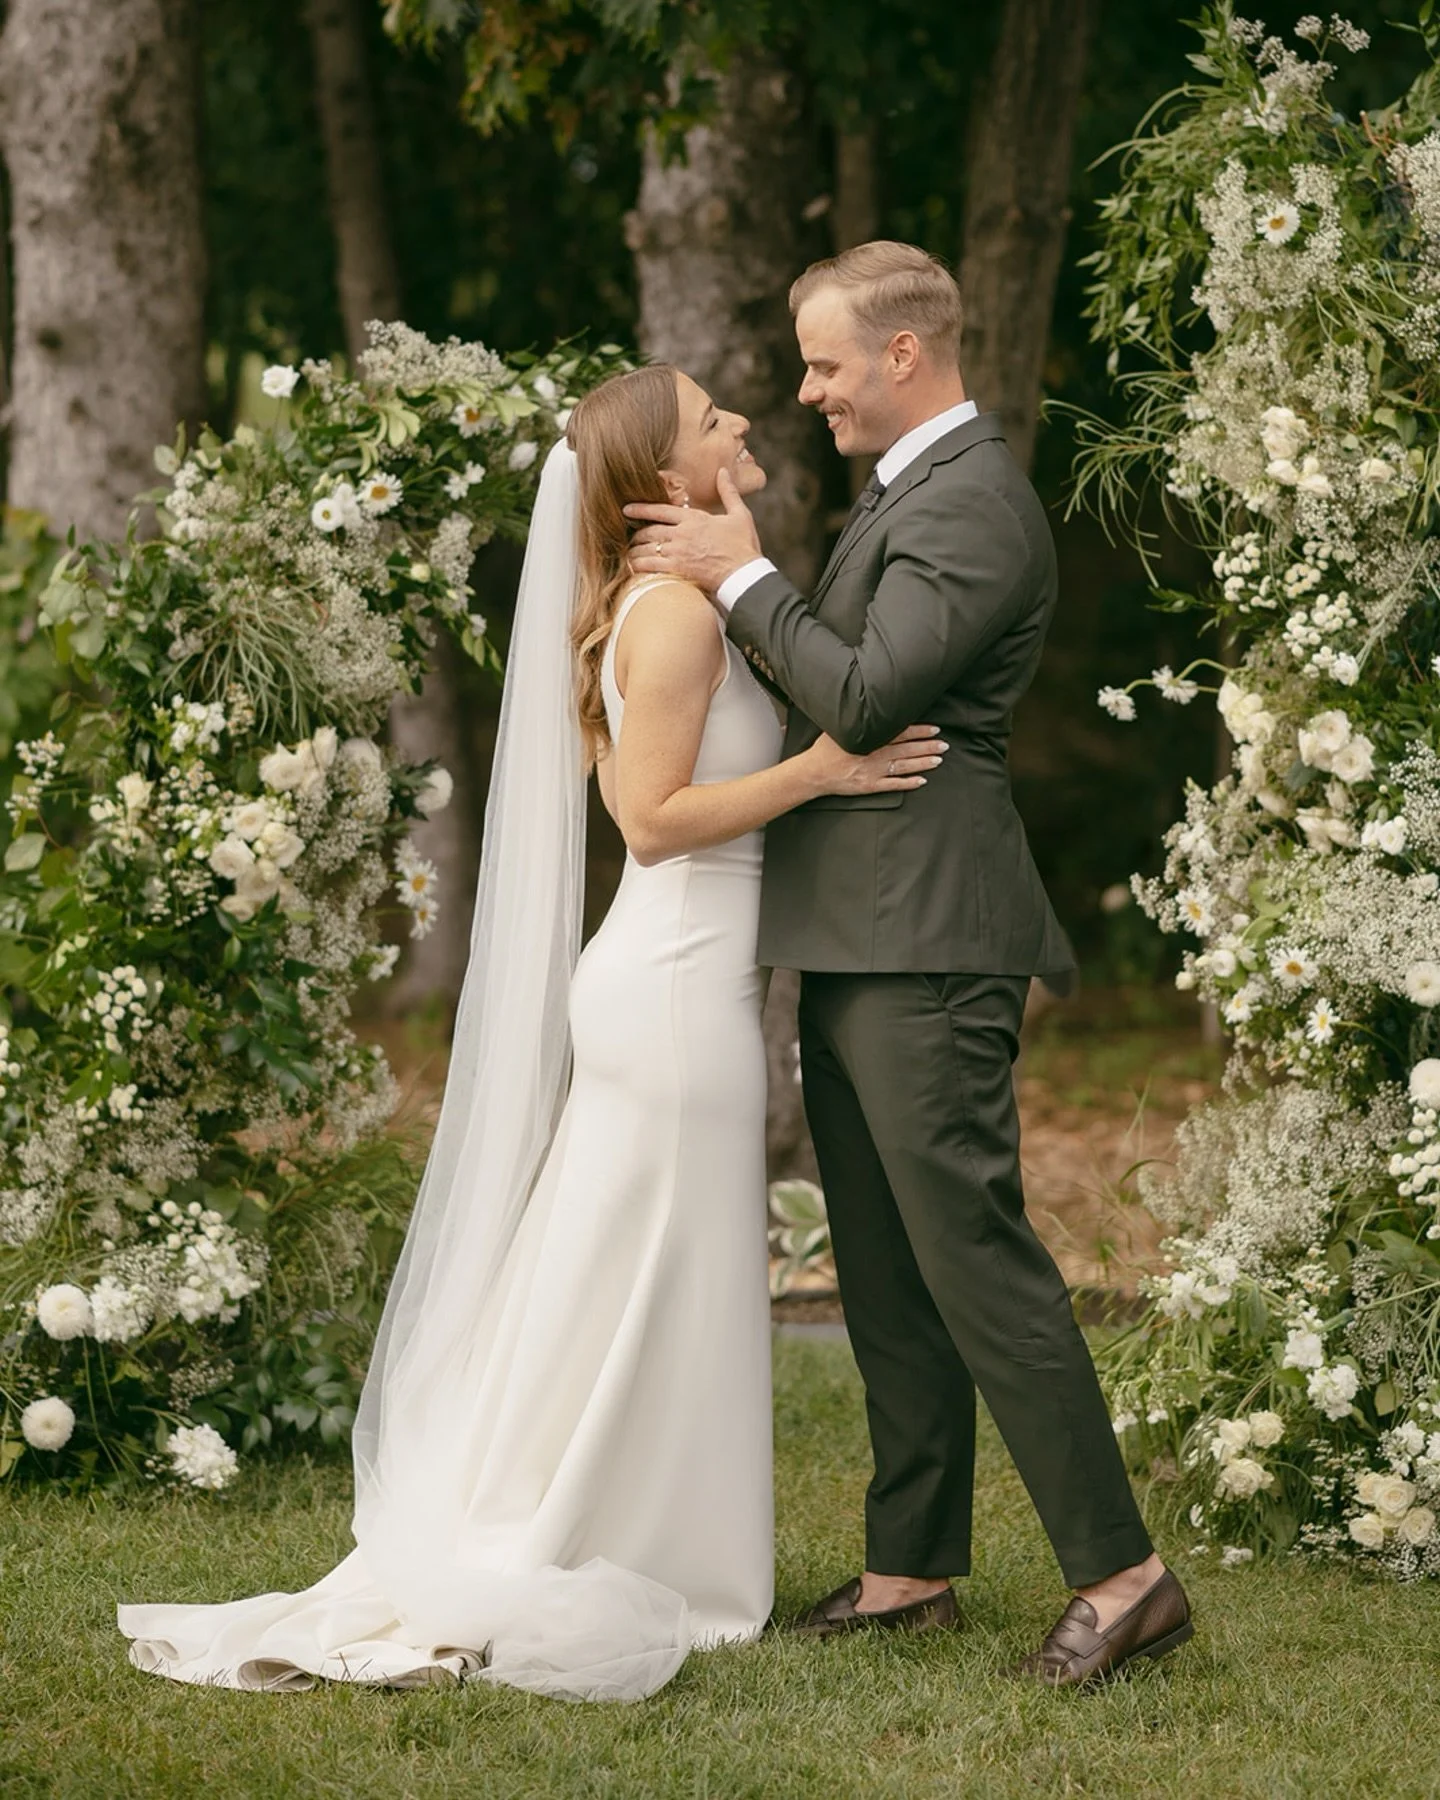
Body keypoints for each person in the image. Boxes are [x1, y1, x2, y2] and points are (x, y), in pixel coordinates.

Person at [116, 363, 944, 1702]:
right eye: (710, 419)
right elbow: (652, 821)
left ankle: (607, 1527)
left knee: (626, 1275)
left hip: (675, 985)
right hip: (676, 990)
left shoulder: (682, 601)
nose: (739, 420)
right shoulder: (670, 620)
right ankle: (584, 1543)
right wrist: (824, 769)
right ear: (663, 477)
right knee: (650, 1275)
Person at [627, 241, 1193, 1688]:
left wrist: (745, 575)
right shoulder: (909, 494)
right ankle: (911, 1565)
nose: (805, 391)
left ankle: (1124, 1574)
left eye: (823, 363)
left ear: (900, 355)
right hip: (861, 931)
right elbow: (834, 680)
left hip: (933, 933)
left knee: (973, 1255)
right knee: (883, 1265)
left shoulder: (978, 503)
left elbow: (871, 698)